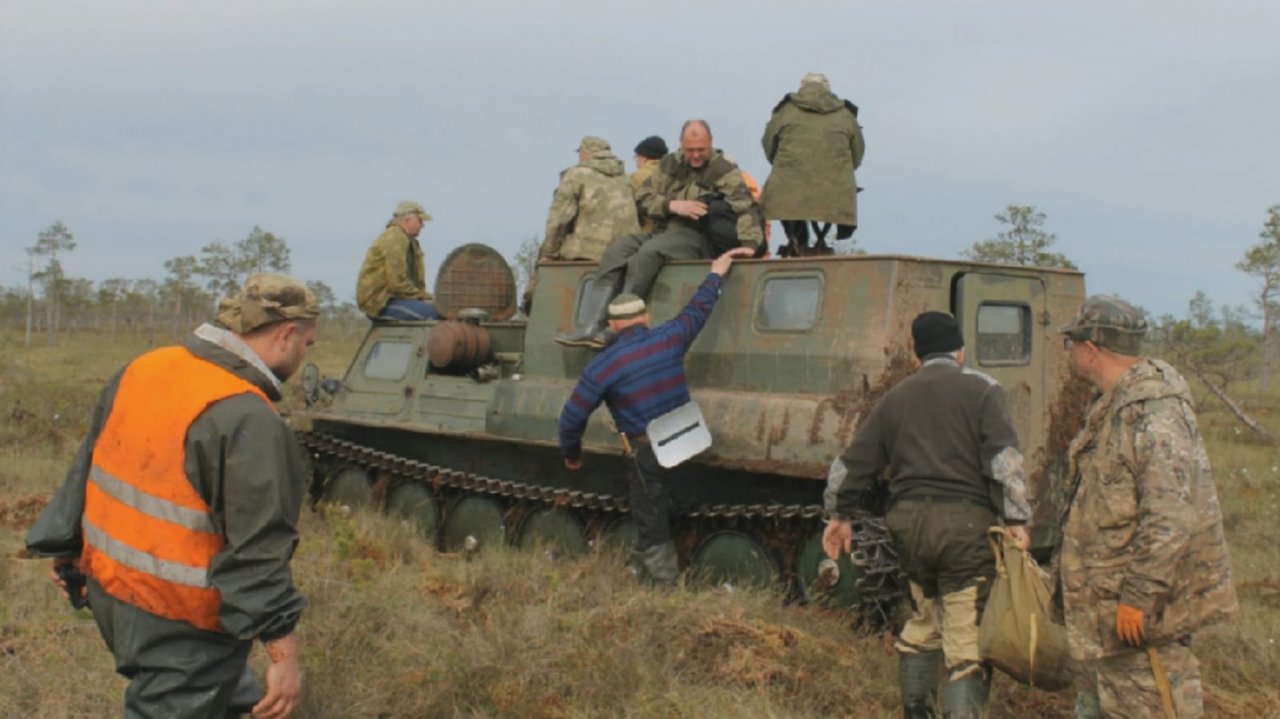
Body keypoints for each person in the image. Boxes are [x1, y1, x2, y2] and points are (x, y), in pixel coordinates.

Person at [26, 273, 318, 719]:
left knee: (227, 693)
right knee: (179, 696)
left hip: (110, 588)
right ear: (286, 335)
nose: (304, 356)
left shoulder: (147, 366)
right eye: (308, 344)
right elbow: (258, 551)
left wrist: (65, 548)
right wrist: (283, 655)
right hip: (178, 619)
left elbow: (89, 462)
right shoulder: (247, 417)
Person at [823, 311, 1031, 719]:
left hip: (908, 525)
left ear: (917, 354)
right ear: (960, 352)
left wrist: (839, 514)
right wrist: (1016, 520)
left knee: (924, 618)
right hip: (964, 526)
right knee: (965, 635)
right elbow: (1004, 462)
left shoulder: (895, 397)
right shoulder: (984, 389)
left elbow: (851, 464)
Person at [1057, 295, 1237, 719]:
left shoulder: (1154, 413)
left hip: (1138, 621)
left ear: (1091, 349)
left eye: (1072, 343)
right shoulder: (1112, 405)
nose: (1070, 353)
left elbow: (1170, 515)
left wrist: (1138, 596)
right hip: (1105, 615)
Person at [559, 246, 755, 585]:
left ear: (612, 326)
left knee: (652, 523)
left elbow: (571, 418)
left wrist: (572, 455)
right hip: (689, 441)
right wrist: (715, 273)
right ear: (646, 318)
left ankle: (664, 587)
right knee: (682, 503)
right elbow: (698, 309)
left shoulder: (603, 366)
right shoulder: (670, 337)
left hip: (647, 450)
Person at [555, 119, 762, 348]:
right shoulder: (669, 164)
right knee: (617, 251)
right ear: (681, 145)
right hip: (664, 229)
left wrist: (750, 244)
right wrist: (671, 205)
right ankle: (591, 326)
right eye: (690, 150)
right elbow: (642, 197)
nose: (695, 155)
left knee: (648, 254)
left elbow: (746, 207)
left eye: (701, 150)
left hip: (697, 236)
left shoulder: (723, 169)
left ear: (711, 143)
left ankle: (619, 328)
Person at [760, 72, 865, 257]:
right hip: (835, 193)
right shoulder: (846, 116)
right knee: (800, 199)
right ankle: (815, 245)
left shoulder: (785, 112)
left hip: (788, 190)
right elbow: (857, 157)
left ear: (802, 88)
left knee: (784, 197)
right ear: (828, 90)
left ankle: (796, 242)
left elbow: (769, 148)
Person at [539, 136, 640, 263]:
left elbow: (559, 219)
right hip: (628, 253)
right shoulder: (625, 178)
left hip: (588, 253)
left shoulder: (576, 175)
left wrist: (549, 252)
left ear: (584, 153)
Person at [356, 200, 441, 320]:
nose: (422, 225)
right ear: (407, 220)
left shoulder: (408, 241)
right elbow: (397, 283)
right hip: (381, 303)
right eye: (420, 221)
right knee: (437, 314)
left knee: (441, 310)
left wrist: (425, 297)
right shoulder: (395, 239)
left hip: (395, 299)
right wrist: (425, 297)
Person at [631, 135, 668, 232]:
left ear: (644, 158)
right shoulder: (671, 174)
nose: (636, 163)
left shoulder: (638, 176)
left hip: (646, 231)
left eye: (636, 158)